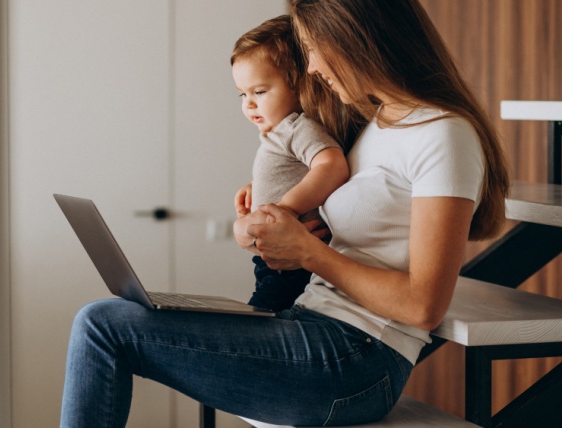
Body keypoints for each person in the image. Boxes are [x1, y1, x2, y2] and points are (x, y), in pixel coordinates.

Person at [60, 0, 510, 426]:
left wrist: (309, 253)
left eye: (314, 49)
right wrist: (273, 205)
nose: (311, 67)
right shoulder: (377, 124)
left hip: (357, 360)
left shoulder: (443, 136)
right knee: (112, 318)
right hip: (311, 321)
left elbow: (423, 306)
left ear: (356, 38)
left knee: (103, 326)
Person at [231, 15, 348, 311]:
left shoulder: (299, 127)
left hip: (292, 263)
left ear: (299, 85)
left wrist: (286, 208)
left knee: (259, 324)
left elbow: (331, 165)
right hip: (276, 260)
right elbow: (299, 171)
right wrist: (257, 188)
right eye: (242, 94)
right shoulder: (280, 131)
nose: (249, 104)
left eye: (259, 92)